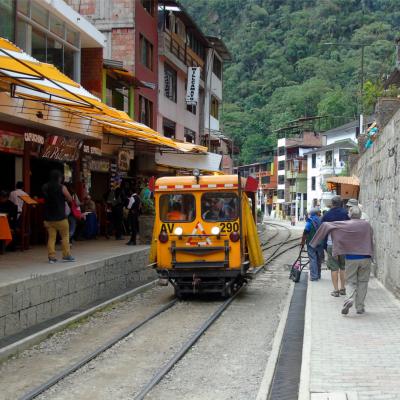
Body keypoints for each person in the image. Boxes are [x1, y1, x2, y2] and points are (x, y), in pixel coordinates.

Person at [310, 206, 373, 315]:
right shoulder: (367, 225)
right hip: (366, 257)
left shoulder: (345, 224)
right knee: (363, 282)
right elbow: (371, 237)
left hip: (352, 258)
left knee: (351, 281)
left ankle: (349, 299)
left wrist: (314, 243)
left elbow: (326, 225)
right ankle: (360, 307)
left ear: (350, 215)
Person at [42, 170, 75, 263]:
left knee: (51, 237)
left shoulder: (45, 187)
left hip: (48, 218)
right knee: (65, 236)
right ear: (59, 178)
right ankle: (66, 255)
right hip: (60, 217)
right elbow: (69, 198)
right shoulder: (62, 187)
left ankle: (51, 257)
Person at [321, 195, 349, 297]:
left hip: (331, 244)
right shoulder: (346, 213)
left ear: (332, 204)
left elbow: (322, 230)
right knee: (343, 267)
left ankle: (336, 290)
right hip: (344, 244)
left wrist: (323, 245)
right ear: (341, 203)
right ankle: (343, 288)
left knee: (334, 268)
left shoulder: (327, 215)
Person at [301, 208, 322, 281]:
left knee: (313, 259)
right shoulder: (321, 220)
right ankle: (318, 275)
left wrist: (303, 242)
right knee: (318, 259)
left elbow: (305, 231)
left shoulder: (310, 221)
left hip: (311, 243)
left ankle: (314, 276)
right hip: (320, 243)